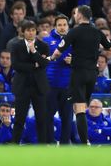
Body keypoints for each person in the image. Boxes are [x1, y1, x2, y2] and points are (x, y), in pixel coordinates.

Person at [50, 5, 111, 145]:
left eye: (76, 13)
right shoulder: (98, 32)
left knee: (78, 109)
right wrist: (97, 55)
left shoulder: (73, 32)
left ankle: (85, 143)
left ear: (79, 15)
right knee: (83, 106)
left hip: (78, 73)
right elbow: (110, 49)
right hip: (92, 74)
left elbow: (58, 52)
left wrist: (50, 59)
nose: (74, 15)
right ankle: (85, 141)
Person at [10, 20, 50, 144]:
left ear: (36, 31)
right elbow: (16, 65)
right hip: (22, 86)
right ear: (23, 32)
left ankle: (43, 144)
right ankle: (15, 143)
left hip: (39, 86)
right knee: (19, 118)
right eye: (28, 30)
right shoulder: (16, 46)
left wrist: (33, 52)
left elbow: (44, 64)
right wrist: (35, 65)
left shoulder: (44, 46)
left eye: (33, 30)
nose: (31, 33)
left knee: (41, 118)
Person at [43, 14, 73, 144]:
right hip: (51, 84)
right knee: (48, 116)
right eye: (59, 25)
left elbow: (83, 60)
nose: (62, 27)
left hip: (68, 85)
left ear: (68, 26)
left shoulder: (74, 41)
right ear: (55, 26)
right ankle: (49, 143)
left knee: (67, 118)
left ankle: (65, 145)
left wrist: (73, 60)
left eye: (64, 25)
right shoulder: (47, 41)